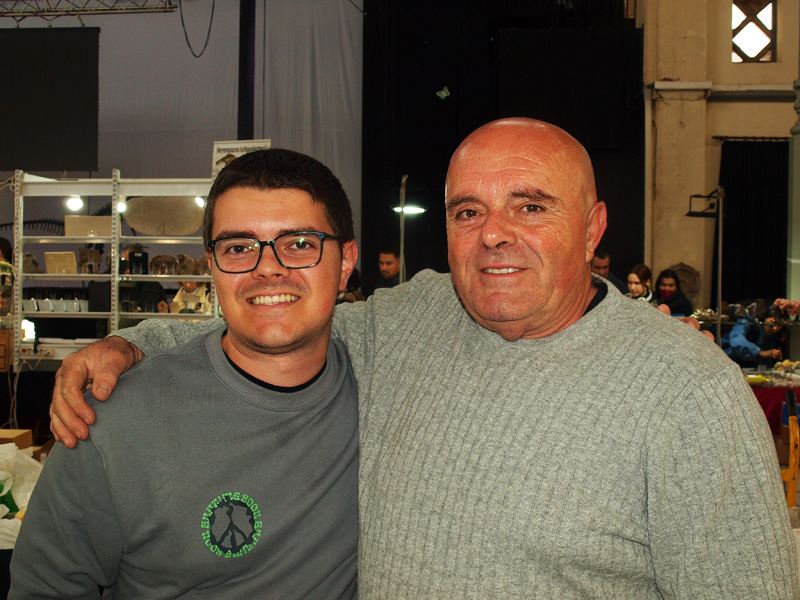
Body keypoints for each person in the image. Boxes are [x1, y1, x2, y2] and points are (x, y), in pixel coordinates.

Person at [49, 118, 798, 598]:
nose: (494, 234)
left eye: (531, 206)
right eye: (468, 212)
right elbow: (282, 318)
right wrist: (130, 344)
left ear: (595, 226)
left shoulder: (686, 389)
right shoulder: (414, 320)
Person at [11, 149, 360, 598]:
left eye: (299, 244)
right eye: (238, 248)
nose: (268, 268)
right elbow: (45, 587)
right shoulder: (112, 422)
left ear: (345, 262)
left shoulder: (379, 391)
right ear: (212, 265)